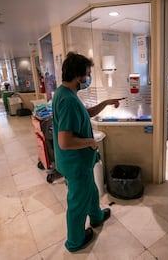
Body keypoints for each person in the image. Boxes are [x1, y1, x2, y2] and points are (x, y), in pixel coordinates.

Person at [52, 52, 125, 252]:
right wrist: (90, 142)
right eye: (87, 73)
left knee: (91, 189)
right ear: (78, 76)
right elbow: (65, 141)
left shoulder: (65, 94)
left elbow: (87, 113)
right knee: (77, 202)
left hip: (79, 163)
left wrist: (107, 102)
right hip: (75, 163)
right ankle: (75, 241)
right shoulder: (67, 101)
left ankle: (96, 216)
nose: (88, 78)